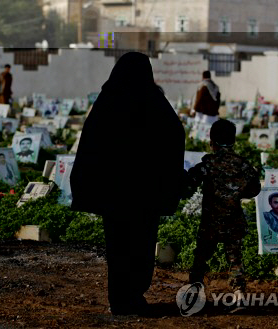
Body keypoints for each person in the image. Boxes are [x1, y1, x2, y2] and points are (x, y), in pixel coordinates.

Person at [70, 52, 185, 316]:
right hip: (145, 192)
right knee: (141, 245)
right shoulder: (154, 101)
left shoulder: (108, 101)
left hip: (114, 193)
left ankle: (119, 299)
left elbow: (90, 141)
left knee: (118, 246)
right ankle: (134, 295)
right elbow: (174, 134)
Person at [186, 119, 261, 310]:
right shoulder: (242, 164)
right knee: (235, 260)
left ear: (212, 141)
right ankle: (239, 297)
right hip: (233, 221)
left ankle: (194, 297)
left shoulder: (209, 164)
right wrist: (235, 191)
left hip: (210, 222)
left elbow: (189, 182)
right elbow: (255, 188)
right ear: (234, 141)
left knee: (200, 259)